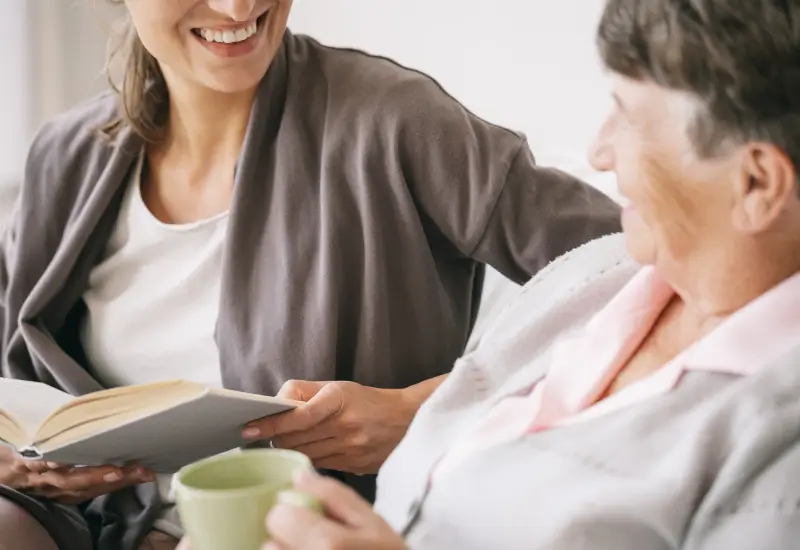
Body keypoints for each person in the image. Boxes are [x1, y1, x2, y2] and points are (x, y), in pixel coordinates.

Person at [0, 0, 621, 549]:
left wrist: (426, 410)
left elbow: (644, 270)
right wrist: (15, 461)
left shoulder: (394, 119)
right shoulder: (66, 158)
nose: (238, 5)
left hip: (315, 530)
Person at [181, 0, 800, 548]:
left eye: (631, 118)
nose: (599, 152)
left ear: (756, 183)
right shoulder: (596, 274)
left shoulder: (775, 449)